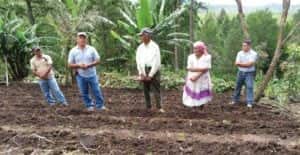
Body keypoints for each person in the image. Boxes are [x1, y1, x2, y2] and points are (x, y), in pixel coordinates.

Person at [68, 32, 106, 111]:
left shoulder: (91, 49)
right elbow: (69, 64)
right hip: (80, 75)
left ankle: (100, 106)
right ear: (77, 39)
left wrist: (89, 65)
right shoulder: (73, 51)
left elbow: (98, 60)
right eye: (80, 38)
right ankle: (89, 106)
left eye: (84, 38)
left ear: (86, 39)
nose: (82, 39)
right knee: (84, 92)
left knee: (96, 90)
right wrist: (79, 66)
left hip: (92, 74)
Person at [136, 28, 164, 113]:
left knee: (156, 89)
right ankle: (148, 107)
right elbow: (138, 60)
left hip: (153, 69)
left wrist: (151, 74)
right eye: (141, 36)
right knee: (146, 90)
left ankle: (159, 107)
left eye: (143, 35)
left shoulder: (155, 46)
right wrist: (141, 73)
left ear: (148, 36)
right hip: (144, 69)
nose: (142, 37)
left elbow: (157, 61)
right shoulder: (140, 47)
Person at [182, 41, 212, 107]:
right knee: (192, 90)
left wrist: (197, 75)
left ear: (201, 49)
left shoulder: (207, 57)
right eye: (194, 48)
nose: (195, 50)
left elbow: (208, 67)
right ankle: (192, 105)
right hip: (192, 76)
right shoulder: (190, 57)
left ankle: (201, 106)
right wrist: (203, 69)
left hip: (202, 78)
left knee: (201, 90)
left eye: (196, 48)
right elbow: (189, 68)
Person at [230, 40, 258, 108]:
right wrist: (245, 64)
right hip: (240, 72)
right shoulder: (240, 53)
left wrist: (241, 64)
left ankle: (249, 103)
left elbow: (250, 64)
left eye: (245, 46)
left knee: (249, 87)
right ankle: (234, 100)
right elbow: (236, 63)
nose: (243, 47)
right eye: (242, 45)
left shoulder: (254, 54)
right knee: (237, 86)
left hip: (249, 73)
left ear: (249, 46)